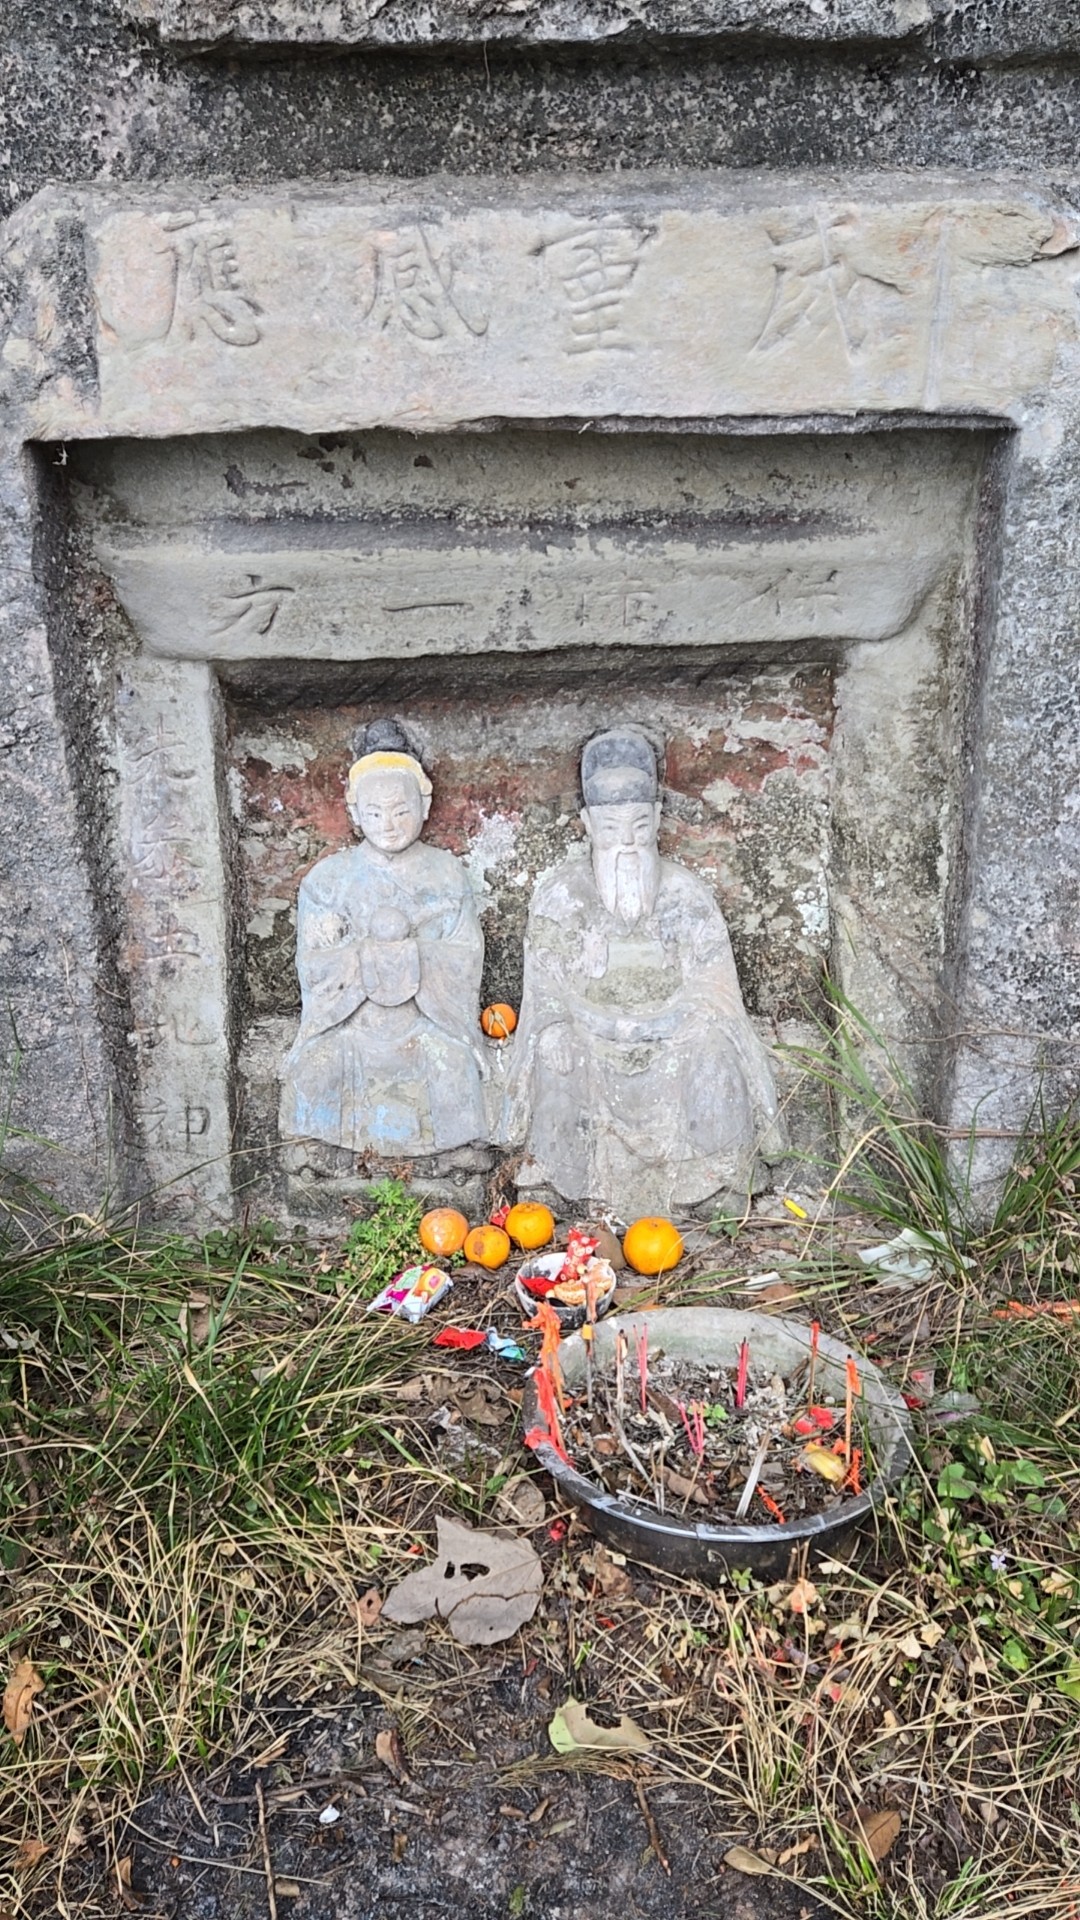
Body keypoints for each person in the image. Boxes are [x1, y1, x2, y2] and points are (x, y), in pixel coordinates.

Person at [505, 728, 783, 1217]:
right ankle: (560, 1186)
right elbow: (544, 992)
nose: (627, 842)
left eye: (638, 826)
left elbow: (716, 990)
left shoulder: (686, 894)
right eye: (612, 829)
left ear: (656, 819)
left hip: (673, 1034)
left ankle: (713, 1186)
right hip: (590, 1034)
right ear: (588, 825)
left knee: (715, 1049)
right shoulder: (561, 896)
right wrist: (569, 1023)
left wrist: (669, 1020)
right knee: (556, 1050)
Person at [279, 725, 486, 1156]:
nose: (388, 825)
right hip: (351, 1027)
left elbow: (465, 960)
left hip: (426, 1024)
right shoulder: (328, 880)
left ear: (425, 805)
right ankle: (321, 1164)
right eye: (374, 813)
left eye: (401, 811)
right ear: (355, 813)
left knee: (455, 1067)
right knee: (314, 1070)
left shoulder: (446, 875)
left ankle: (452, 1163)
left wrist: (412, 953)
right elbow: (313, 967)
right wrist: (365, 956)